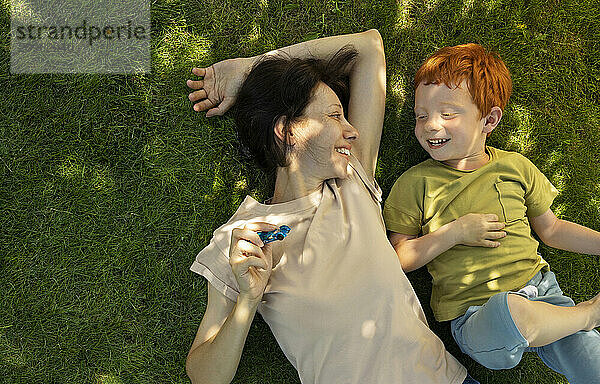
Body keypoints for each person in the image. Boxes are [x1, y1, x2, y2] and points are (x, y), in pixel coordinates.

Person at [185, 30, 475, 384]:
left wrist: (251, 70)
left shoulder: (353, 179)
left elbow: (369, 48)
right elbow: (204, 376)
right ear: (288, 130)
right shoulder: (242, 238)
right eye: (335, 116)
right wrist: (248, 300)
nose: (352, 131)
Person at [383, 43, 600, 384]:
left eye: (448, 114)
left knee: (593, 363)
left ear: (489, 120)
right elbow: (398, 257)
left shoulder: (515, 167)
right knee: (510, 311)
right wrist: (454, 232)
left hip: (542, 293)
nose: (429, 125)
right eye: (421, 115)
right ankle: (587, 314)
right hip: (478, 318)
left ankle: (574, 321)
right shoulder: (415, 183)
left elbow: (553, 230)